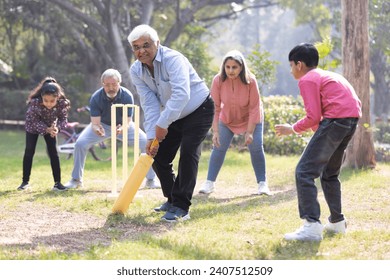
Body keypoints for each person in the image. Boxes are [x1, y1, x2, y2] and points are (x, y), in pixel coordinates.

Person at [275, 43, 362, 241]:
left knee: (304, 171)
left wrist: (292, 128)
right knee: (329, 173)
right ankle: (337, 222)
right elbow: (323, 116)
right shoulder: (327, 75)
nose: (291, 71)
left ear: (299, 64)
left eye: (291, 66)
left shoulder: (308, 79)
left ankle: (312, 225)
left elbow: (313, 117)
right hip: (350, 120)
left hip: (336, 121)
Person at [127, 24, 214, 222]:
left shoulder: (173, 59)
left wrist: (163, 123)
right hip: (172, 114)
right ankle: (171, 198)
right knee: (157, 154)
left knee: (189, 152)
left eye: (146, 45)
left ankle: (182, 207)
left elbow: (182, 95)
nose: (141, 51)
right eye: (136, 47)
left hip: (198, 109)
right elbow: (148, 103)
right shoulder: (135, 70)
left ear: (157, 43)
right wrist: (151, 135)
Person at [64, 68, 159, 189]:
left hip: (124, 126)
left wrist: (122, 128)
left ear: (119, 83)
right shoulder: (96, 98)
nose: (111, 88)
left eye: (114, 84)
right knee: (80, 144)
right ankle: (76, 180)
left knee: (147, 143)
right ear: (102, 84)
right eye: (107, 85)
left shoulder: (127, 96)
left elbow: (128, 120)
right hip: (103, 125)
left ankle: (151, 180)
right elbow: (95, 123)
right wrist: (98, 129)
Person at [199, 50, 270, 196]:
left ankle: (262, 184)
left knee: (256, 147)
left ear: (241, 67)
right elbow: (215, 107)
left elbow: (254, 108)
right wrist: (216, 131)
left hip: (251, 118)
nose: (231, 70)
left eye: (234, 67)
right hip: (228, 119)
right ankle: (209, 183)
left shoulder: (251, 81)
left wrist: (249, 132)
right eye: (228, 67)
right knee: (218, 147)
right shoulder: (218, 80)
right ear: (224, 67)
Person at [18, 77, 70, 191]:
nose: (49, 104)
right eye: (46, 101)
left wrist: (56, 128)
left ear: (58, 97)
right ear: (41, 97)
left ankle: (57, 183)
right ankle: (25, 182)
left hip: (51, 127)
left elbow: (63, 119)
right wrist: (46, 129)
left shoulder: (62, 103)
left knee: (53, 152)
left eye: (52, 101)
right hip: (33, 126)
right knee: (29, 150)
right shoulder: (35, 103)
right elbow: (34, 121)